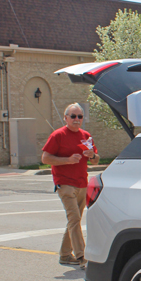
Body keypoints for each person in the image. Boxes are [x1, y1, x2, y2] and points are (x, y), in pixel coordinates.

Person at [41, 103, 99, 269]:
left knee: (75, 220)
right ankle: (82, 256)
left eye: (79, 116)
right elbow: (45, 158)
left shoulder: (86, 136)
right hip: (65, 183)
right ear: (66, 118)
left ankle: (65, 255)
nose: (76, 119)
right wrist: (67, 160)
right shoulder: (58, 135)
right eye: (73, 116)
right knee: (74, 219)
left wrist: (92, 155)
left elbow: (95, 160)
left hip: (82, 183)